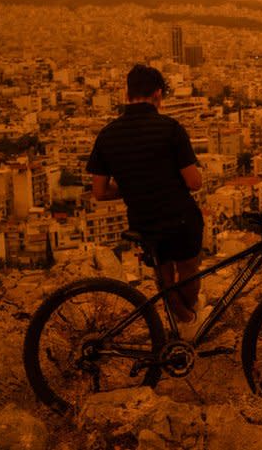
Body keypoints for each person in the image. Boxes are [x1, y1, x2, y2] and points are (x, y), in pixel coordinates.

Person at [86, 64, 207, 327]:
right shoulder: (170, 128)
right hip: (179, 218)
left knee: (164, 275)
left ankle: (178, 321)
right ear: (158, 94)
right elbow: (194, 182)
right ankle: (188, 322)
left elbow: (99, 191)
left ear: (127, 94)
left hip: (143, 220)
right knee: (187, 271)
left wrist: (132, 185)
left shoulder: (107, 135)